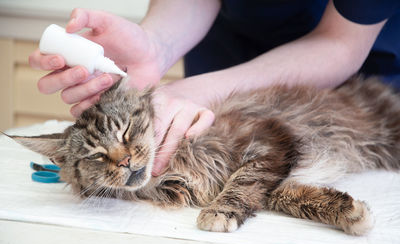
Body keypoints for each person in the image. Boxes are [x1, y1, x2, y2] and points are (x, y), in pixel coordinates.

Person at [29, 0, 400, 176]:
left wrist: (205, 90)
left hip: (354, 89)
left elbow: (340, 42)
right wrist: (156, 45)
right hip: (224, 51)